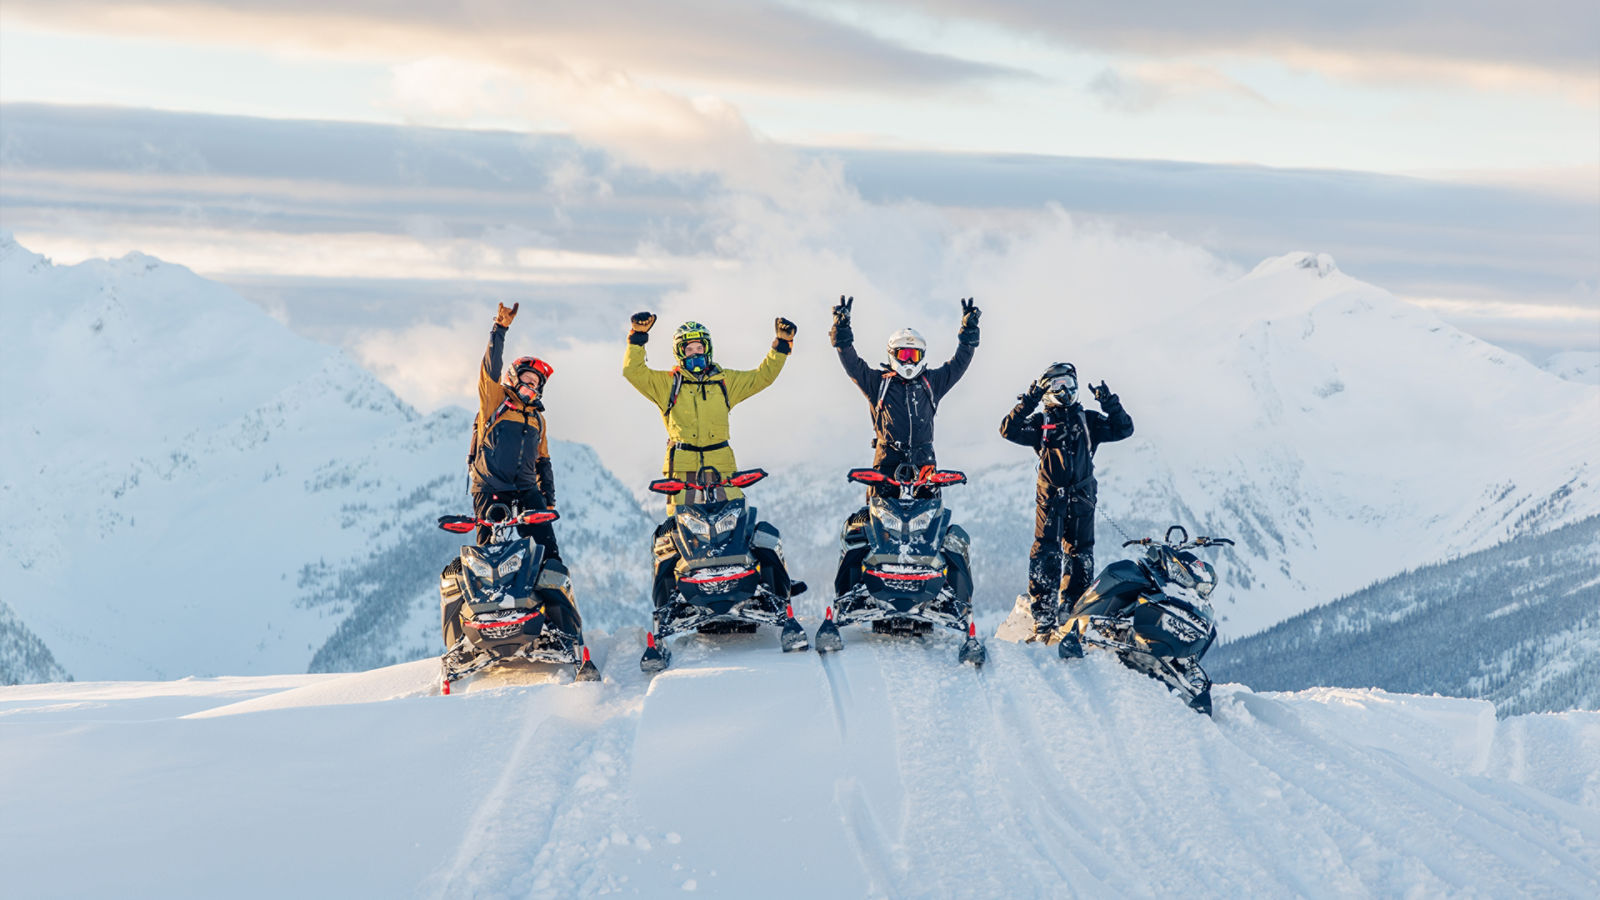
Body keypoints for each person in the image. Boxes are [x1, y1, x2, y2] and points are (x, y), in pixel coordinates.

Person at [623, 312, 797, 610]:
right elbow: (633, 372)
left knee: (737, 527)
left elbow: (762, 376)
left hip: (721, 466)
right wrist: (637, 337)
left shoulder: (724, 381)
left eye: (700, 348)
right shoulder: (668, 384)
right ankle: (670, 604)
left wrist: (781, 344)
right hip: (683, 467)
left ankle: (771, 589)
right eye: (689, 349)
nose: (696, 354)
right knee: (680, 535)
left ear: (708, 349)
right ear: (680, 353)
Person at [441, 301, 577, 650]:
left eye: (537, 383)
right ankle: (482, 632)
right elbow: (489, 367)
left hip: (527, 489)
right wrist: (499, 330)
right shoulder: (494, 402)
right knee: (487, 558)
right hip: (491, 488)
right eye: (527, 380)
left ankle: (557, 625)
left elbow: (543, 460)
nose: (532, 387)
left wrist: (548, 499)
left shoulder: (537, 419)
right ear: (514, 380)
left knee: (548, 553)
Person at [829, 295, 980, 594]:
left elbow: (959, 364)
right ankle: (857, 591)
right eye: (904, 355)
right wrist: (842, 333)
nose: (909, 361)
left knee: (931, 530)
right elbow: (851, 364)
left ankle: (941, 590)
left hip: (925, 465)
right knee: (873, 529)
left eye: (914, 355)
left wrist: (969, 334)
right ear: (892, 355)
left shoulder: (932, 382)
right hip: (886, 463)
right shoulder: (878, 382)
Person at [1000, 362, 1134, 636]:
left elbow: (1124, 429)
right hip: (1051, 497)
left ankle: (1075, 608)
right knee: (1046, 551)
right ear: (1047, 390)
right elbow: (1008, 429)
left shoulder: (1089, 420)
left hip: (1083, 495)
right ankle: (1044, 612)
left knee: (1081, 553)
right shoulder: (1041, 423)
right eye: (1058, 385)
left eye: (1070, 384)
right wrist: (1029, 400)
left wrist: (1110, 403)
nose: (1066, 390)